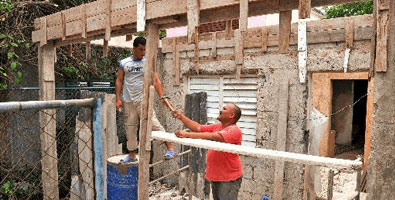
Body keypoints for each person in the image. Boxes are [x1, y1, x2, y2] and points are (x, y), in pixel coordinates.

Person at [115, 36, 176, 163]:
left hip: (143, 100)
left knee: (154, 124)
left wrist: (162, 96)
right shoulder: (124, 63)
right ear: (134, 48)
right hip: (128, 101)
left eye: (144, 50)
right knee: (130, 128)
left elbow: (156, 80)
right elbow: (119, 81)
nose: (143, 53)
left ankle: (170, 148)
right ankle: (132, 155)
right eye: (140, 50)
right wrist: (118, 99)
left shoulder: (147, 63)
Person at [173, 103, 243, 200]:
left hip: (228, 178)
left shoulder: (235, 130)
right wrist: (181, 117)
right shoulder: (218, 126)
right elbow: (198, 128)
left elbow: (214, 136)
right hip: (217, 176)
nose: (221, 110)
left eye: (224, 109)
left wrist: (187, 135)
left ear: (231, 115)